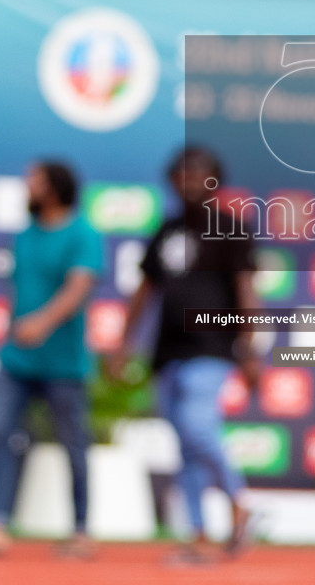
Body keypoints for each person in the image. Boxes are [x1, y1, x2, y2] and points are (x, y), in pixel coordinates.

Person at [108, 146, 260, 561]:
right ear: (172, 180)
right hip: (166, 353)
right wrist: (124, 344)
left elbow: (246, 293)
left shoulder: (231, 228)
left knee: (197, 427)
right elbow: (144, 291)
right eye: (184, 174)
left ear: (215, 181)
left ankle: (240, 502)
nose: (191, 181)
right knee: (185, 446)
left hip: (211, 349)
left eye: (201, 175)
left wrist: (250, 351)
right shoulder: (166, 229)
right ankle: (196, 534)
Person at [0, 160, 103, 557]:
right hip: (16, 361)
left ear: (54, 187)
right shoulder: (23, 236)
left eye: (34, 180)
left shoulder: (83, 233)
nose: (26, 186)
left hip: (65, 364)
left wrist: (43, 322)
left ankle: (81, 530)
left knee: (74, 446)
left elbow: (79, 288)